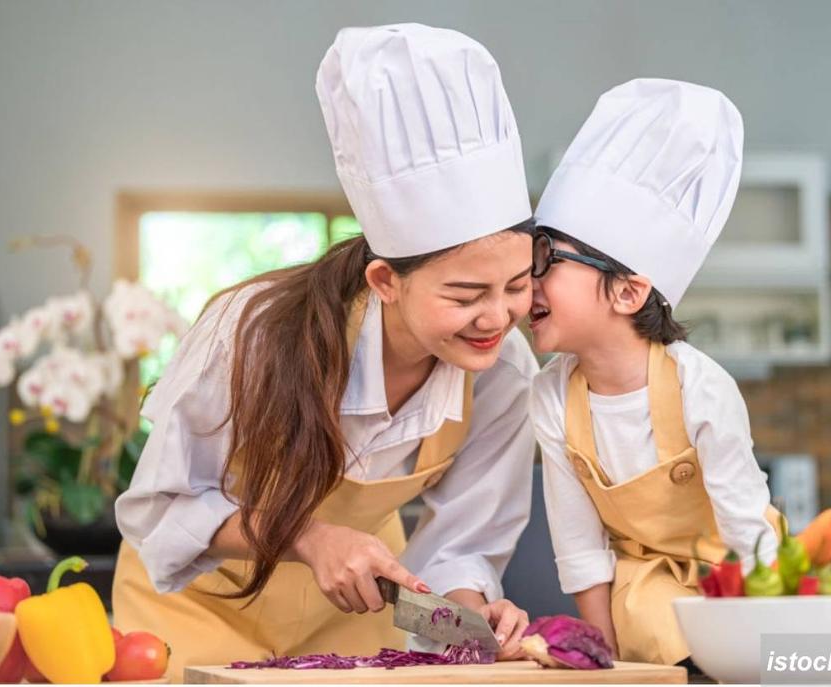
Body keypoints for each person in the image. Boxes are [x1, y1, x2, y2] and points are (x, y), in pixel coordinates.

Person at [112, 23, 537, 680]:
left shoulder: (506, 374)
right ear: (385, 280)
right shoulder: (250, 331)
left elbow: (462, 544)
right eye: (465, 293)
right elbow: (160, 507)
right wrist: (308, 536)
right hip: (193, 611)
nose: (497, 317)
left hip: (352, 621)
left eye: (516, 285)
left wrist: (473, 618)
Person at [529, 78, 779, 666]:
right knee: (659, 627)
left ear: (627, 291)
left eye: (548, 259)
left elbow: (748, 529)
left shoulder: (702, 387)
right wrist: (603, 661)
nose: (526, 280)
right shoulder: (549, 395)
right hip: (646, 595)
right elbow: (580, 545)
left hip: (749, 577)